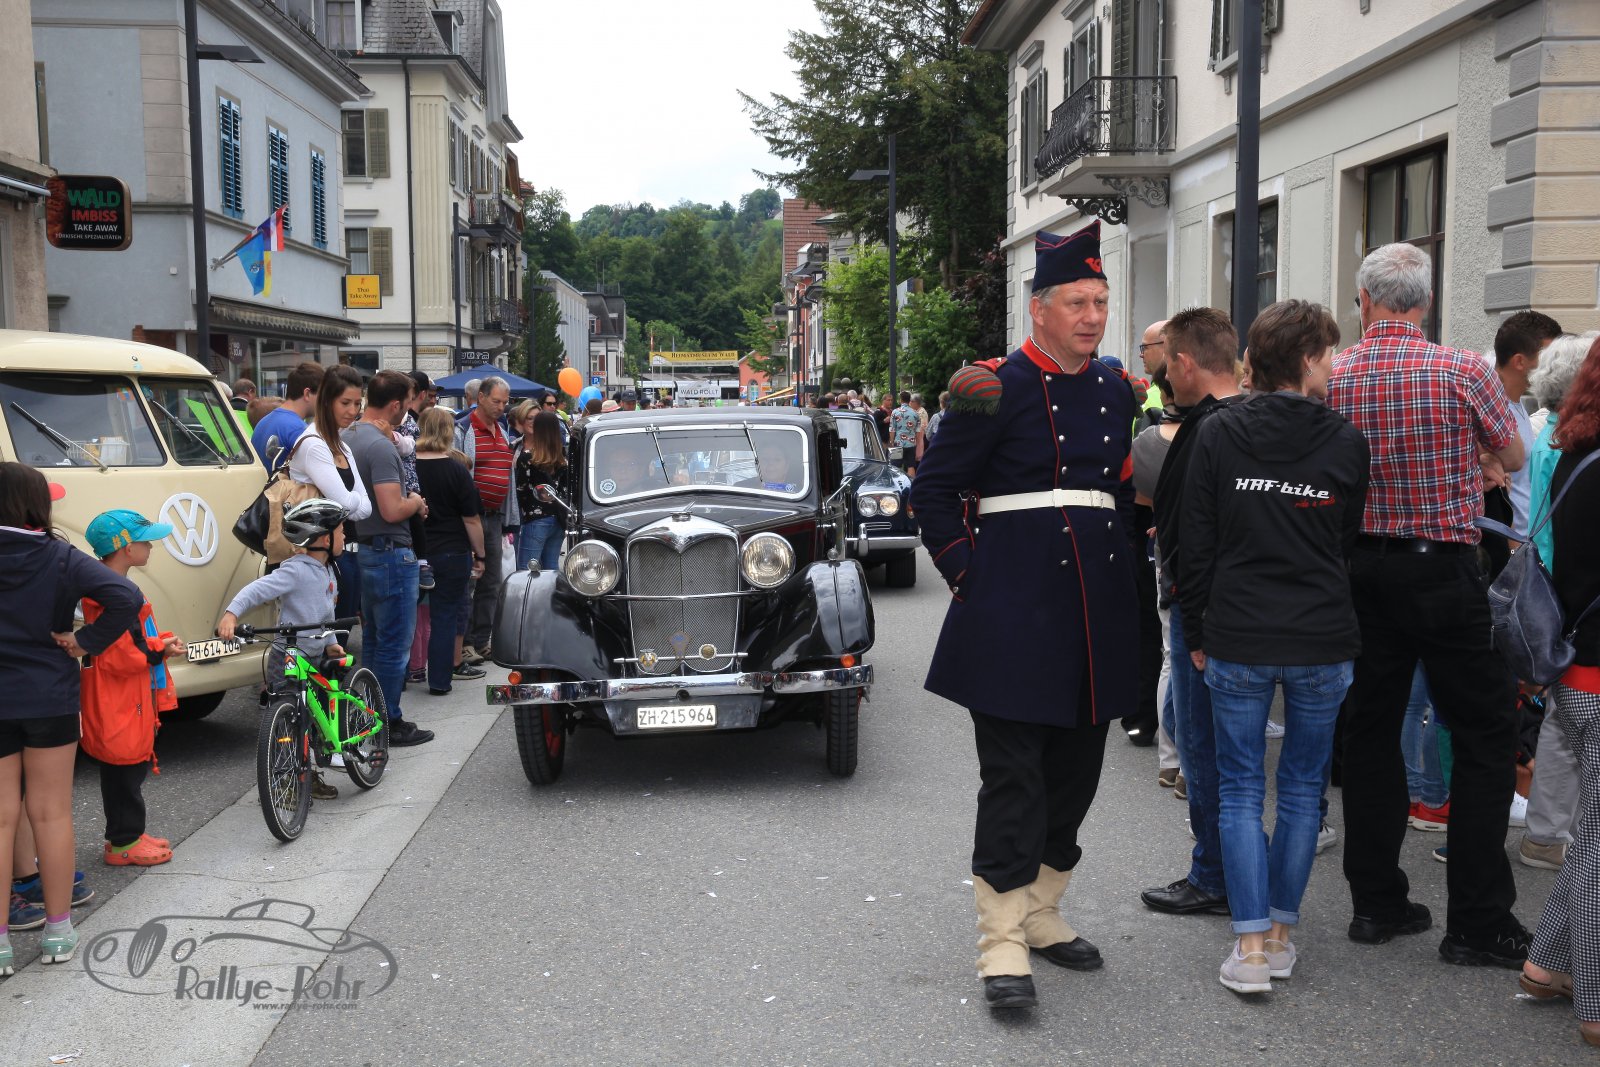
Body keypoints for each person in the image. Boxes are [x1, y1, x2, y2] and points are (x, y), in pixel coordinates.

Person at [911, 221, 1139, 1010]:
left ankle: (1041, 910)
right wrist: (971, 577)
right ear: (1038, 307)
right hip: (1012, 614)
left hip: (1095, 616)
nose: (1093, 316)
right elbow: (933, 493)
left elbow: (1117, 496)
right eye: (1077, 301)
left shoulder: (1116, 389)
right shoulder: (992, 387)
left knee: (1075, 776)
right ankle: (1001, 939)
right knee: (1014, 780)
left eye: (1100, 301)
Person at [1326, 242, 1530, 967]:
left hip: (1361, 569)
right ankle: (1476, 919)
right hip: (1442, 570)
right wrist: (1476, 459)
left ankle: (1376, 902)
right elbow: (1513, 456)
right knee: (1483, 735)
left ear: (1364, 301)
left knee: (1370, 731)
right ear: (1427, 302)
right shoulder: (1462, 368)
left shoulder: (1336, 373)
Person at [1177, 300, 1369, 993]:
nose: (1334, 366)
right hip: (1320, 633)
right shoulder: (1345, 440)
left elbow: (1194, 542)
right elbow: (1344, 540)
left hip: (1239, 631)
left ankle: (1252, 946)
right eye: (1330, 354)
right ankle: (1279, 935)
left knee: (1238, 787)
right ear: (1310, 360)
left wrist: (1196, 630)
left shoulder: (1218, 431)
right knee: (1302, 790)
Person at [0, 463, 143, 971]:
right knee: (51, 813)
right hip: (50, 697)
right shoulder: (58, 554)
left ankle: (0, 945)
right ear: (37, 504)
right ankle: (58, 932)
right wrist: (86, 642)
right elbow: (126, 597)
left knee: (2, 817)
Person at [1140, 306, 1246, 919]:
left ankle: (1214, 874)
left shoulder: (1198, 432)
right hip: (1270, 606)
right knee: (1253, 761)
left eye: (1166, 365)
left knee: (1204, 749)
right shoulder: (1269, 418)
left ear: (1183, 363)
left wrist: (1189, 616)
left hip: (1203, 610)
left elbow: (1181, 535)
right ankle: (1255, 884)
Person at [1519, 334, 1600, 1047]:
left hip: (1575, 669)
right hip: (1596, 671)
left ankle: (1546, 964)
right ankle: (1595, 1004)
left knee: (1594, 833)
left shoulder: (1577, 452)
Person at [217, 498, 354, 798]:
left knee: (309, 719)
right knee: (287, 721)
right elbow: (257, 589)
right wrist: (231, 614)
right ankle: (283, 782)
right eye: (341, 531)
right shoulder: (295, 570)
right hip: (288, 657)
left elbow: (325, 614)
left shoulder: (328, 570)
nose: (345, 536)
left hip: (313, 655)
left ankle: (307, 775)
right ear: (324, 539)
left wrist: (331, 643)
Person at [78, 509, 188, 867]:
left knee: (129, 767)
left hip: (123, 694)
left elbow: (130, 643)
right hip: (118, 696)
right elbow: (120, 655)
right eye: (146, 542)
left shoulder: (107, 589)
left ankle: (131, 834)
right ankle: (123, 843)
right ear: (126, 548)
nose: (151, 547)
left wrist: (158, 643)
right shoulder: (110, 595)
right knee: (122, 769)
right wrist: (160, 648)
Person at [345, 371, 433, 746]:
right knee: (394, 645)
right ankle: (387, 720)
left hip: (365, 547)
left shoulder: (348, 435)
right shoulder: (380, 446)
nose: (408, 411)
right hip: (390, 551)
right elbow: (391, 508)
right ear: (396, 404)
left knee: (375, 642)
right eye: (407, 404)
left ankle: (369, 717)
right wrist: (415, 502)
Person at [288, 365, 373, 615]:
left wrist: (349, 502)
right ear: (327, 401)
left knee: (341, 631)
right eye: (345, 402)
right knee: (326, 633)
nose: (353, 411)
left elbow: (364, 508)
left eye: (357, 403)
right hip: (320, 559)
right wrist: (352, 502)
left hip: (346, 553)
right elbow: (348, 505)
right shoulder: (314, 445)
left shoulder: (341, 445)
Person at [412, 408, 485, 695]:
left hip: (413, 549)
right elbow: (471, 519)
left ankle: (404, 674)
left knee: (407, 617)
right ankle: (440, 681)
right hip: (452, 550)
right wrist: (480, 555)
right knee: (444, 616)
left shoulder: (407, 465)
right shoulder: (456, 470)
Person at [455, 376, 517, 667]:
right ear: (480, 397)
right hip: (470, 518)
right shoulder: (463, 429)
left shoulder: (501, 430)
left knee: (491, 582)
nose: (501, 407)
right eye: (496, 401)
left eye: (505, 402)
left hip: (493, 517)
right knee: (471, 580)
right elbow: (457, 472)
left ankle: (482, 640)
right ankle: (466, 642)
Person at [515, 410, 569, 571]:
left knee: (527, 570)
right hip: (558, 518)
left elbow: (521, 490)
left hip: (535, 518)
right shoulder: (563, 458)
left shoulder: (527, 457)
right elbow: (565, 489)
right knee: (551, 568)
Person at [253, 362, 324, 472]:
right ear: (307, 394)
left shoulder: (263, 422)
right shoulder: (299, 430)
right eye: (323, 395)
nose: (325, 402)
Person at [889, 391, 921, 476]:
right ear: (909, 400)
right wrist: (917, 444)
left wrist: (891, 442)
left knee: (895, 467)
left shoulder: (895, 412)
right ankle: (911, 482)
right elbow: (918, 431)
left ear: (900, 400)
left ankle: (897, 482)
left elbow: (892, 429)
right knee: (911, 466)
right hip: (911, 443)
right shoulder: (916, 413)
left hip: (898, 443)